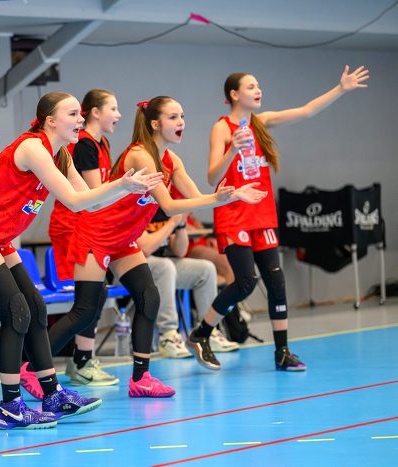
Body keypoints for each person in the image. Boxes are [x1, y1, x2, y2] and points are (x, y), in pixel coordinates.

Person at [0, 91, 164, 428]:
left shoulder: (61, 154)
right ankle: (10, 406)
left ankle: (53, 395)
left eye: (80, 114)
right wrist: (121, 183)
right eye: (72, 113)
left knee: (36, 307)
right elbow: (73, 201)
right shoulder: (33, 147)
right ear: (50, 120)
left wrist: (126, 188)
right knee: (16, 312)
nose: (80, 119)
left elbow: (91, 202)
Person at [22, 96, 265, 399]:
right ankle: (31, 368)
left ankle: (141, 379)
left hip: (124, 239)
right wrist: (218, 199)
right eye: (173, 117)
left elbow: (195, 198)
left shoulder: (171, 160)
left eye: (182, 116)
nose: (181, 123)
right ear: (155, 124)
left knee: (149, 297)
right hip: (96, 234)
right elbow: (170, 205)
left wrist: (231, 195)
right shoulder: (140, 155)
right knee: (85, 311)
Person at [186, 66, 369, 371]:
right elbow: (211, 178)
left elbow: (307, 111)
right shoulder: (222, 128)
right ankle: (201, 335)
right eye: (251, 87)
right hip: (234, 215)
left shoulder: (261, 122)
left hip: (262, 216)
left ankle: (282, 352)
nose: (258, 90)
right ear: (234, 95)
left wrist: (341, 89)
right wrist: (232, 150)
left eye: (258, 85)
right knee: (245, 282)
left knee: (276, 282)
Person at [46, 89, 120, 387]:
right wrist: (127, 190)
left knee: (96, 296)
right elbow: (94, 196)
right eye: (113, 108)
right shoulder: (83, 144)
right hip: (72, 227)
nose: (118, 115)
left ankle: (82, 361)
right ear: (95, 112)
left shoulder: (101, 143)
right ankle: (35, 365)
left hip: (91, 227)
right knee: (86, 301)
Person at [137, 208, 239, 359]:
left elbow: (180, 252)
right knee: (165, 266)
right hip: (134, 266)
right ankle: (168, 336)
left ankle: (206, 333)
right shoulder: (136, 206)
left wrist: (181, 224)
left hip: (162, 265)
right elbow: (145, 248)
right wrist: (172, 223)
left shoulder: (163, 209)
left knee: (206, 269)